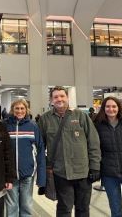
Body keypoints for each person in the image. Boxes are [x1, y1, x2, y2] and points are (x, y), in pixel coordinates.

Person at [38, 86, 101, 217]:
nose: (59, 99)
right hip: (61, 173)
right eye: (55, 97)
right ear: (51, 100)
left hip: (83, 172)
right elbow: (40, 147)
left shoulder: (81, 116)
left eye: (62, 96)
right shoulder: (45, 119)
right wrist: (44, 170)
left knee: (82, 209)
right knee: (64, 208)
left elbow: (93, 142)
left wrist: (95, 167)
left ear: (67, 98)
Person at [3, 99, 46, 217]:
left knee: (26, 205)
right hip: (10, 175)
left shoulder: (33, 126)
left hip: (28, 174)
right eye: (17, 108)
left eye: (22, 108)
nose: (19, 111)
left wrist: (41, 178)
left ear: (26, 110)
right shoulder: (5, 125)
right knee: (11, 206)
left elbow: (40, 150)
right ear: (12, 110)